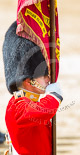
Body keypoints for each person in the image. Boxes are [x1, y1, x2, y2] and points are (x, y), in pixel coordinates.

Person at [3, 21, 63, 155]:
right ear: (29, 81)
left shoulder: (30, 102)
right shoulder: (16, 107)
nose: (49, 79)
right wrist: (54, 96)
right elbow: (42, 111)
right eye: (44, 75)